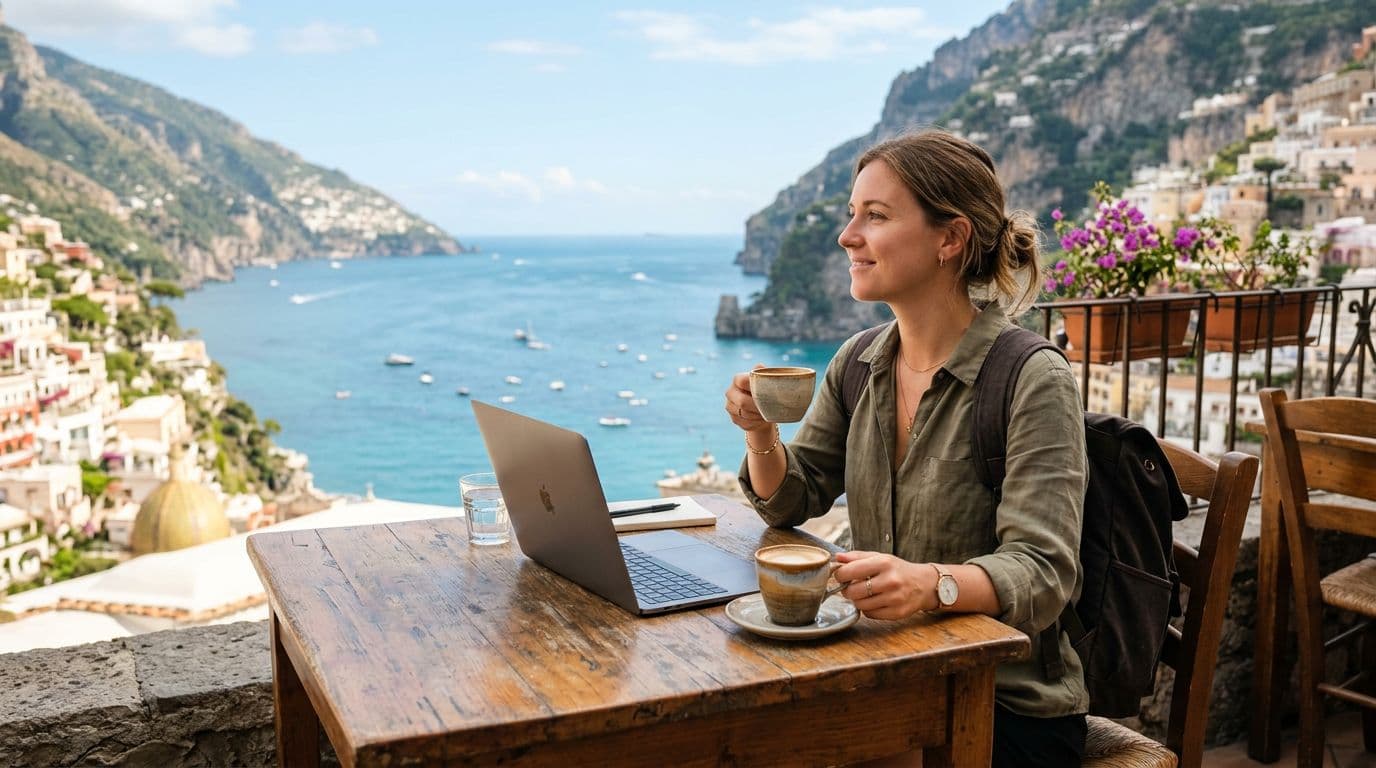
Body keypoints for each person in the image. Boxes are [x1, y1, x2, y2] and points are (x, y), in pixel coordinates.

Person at [724, 129, 1089, 766]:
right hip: (887, 673)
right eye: (851, 215)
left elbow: (1043, 571)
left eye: (877, 216)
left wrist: (930, 585)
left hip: (1001, 708)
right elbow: (793, 497)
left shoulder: (1032, 379)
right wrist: (761, 433)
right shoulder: (859, 362)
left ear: (950, 239)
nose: (848, 236)